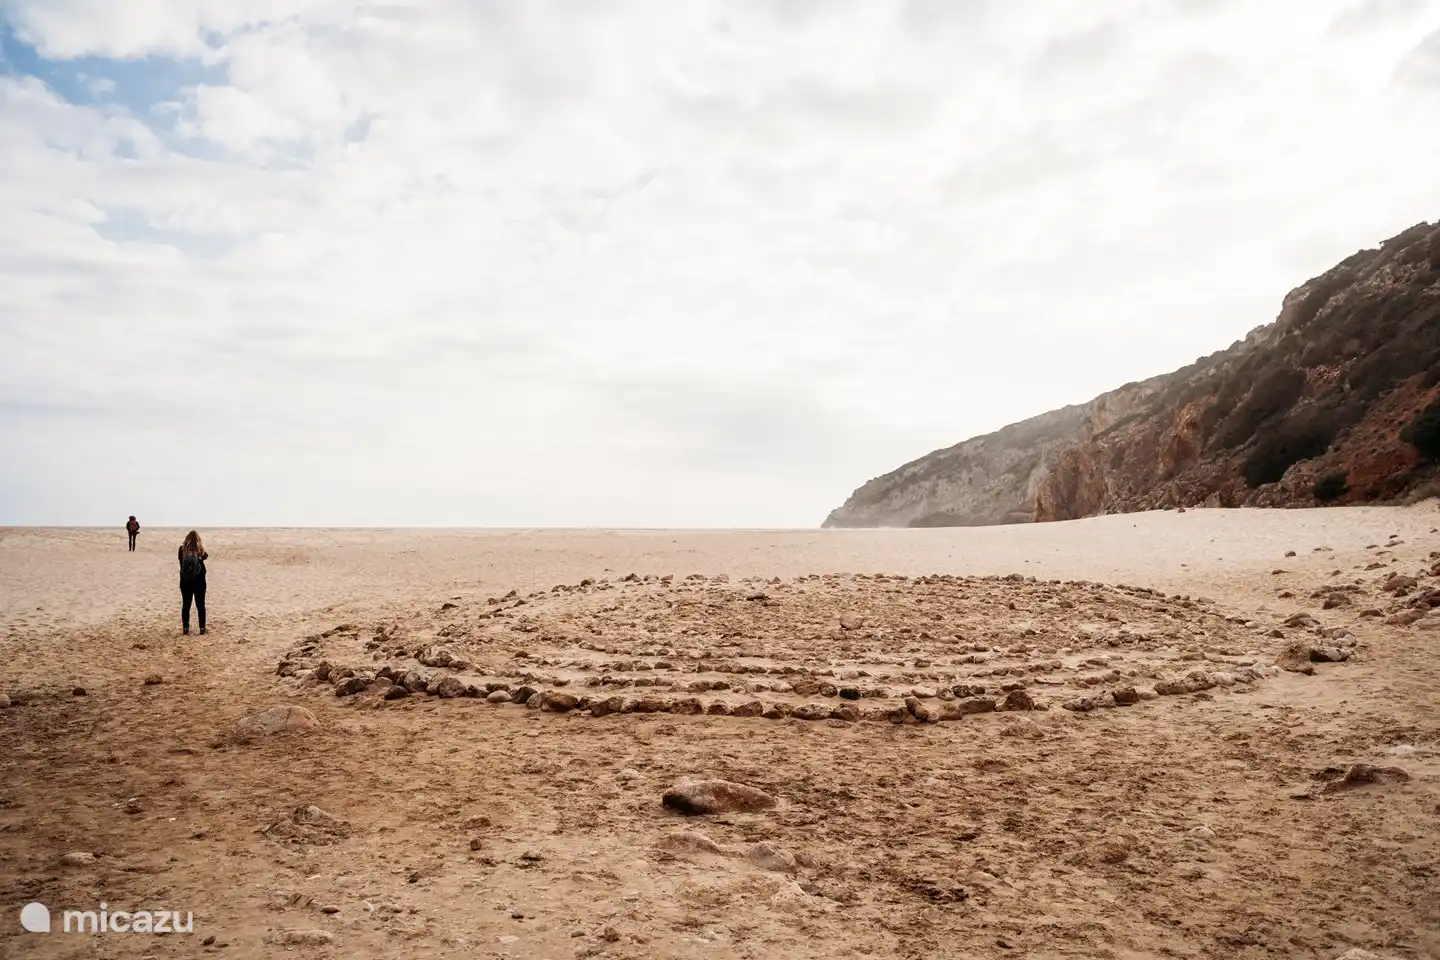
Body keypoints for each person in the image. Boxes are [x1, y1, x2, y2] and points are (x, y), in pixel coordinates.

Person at [178, 531, 209, 635]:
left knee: (186, 604)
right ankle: (202, 628)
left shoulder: (181, 550)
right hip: (199, 581)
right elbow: (206, 556)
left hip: (185, 581)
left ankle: (186, 628)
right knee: (200, 604)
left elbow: (181, 563)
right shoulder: (201, 550)